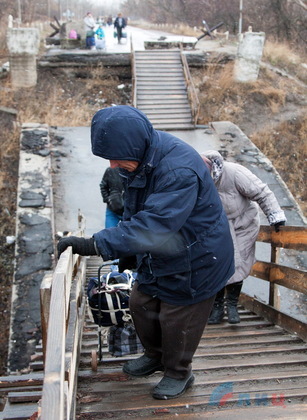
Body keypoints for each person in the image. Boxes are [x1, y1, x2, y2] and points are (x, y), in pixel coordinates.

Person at [57, 105, 235, 400]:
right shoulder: (142, 158)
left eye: (115, 157)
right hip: (162, 251)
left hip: (196, 258)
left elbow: (154, 225)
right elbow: (135, 207)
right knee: (141, 304)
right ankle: (155, 356)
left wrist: (94, 244)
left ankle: (179, 372)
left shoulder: (178, 170)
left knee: (176, 319)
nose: (112, 165)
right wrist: (128, 251)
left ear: (133, 146)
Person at [201, 150, 286, 324]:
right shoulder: (197, 179)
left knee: (239, 262)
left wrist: (275, 215)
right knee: (216, 263)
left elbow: (262, 192)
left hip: (243, 224)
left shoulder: (233, 173)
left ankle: (232, 304)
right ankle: (217, 307)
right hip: (217, 227)